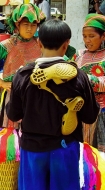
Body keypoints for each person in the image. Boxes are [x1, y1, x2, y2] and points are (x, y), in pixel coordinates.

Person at [6, 19, 99, 190]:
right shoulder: (79, 76)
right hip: (65, 148)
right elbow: (90, 116)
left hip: (32, 149)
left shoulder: (23, 75)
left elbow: (13, 115)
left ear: (39, 42)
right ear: (66, 45)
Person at [0, 3, 45, 128]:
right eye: (25, 25)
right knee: (11, 134)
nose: (29, 29)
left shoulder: (41, 44)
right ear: (17, 25)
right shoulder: (7, 45)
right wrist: (1, 82)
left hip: (38, 95)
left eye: (33, 25)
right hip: (14, 95)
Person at [75, 13, 105, 152]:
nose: (87, 40)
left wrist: (84, 79)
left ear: (103, 36)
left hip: (101, 113)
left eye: (91, 36)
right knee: (83, 152)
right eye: (84, 36)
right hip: (80, 112)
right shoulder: (79, 55)